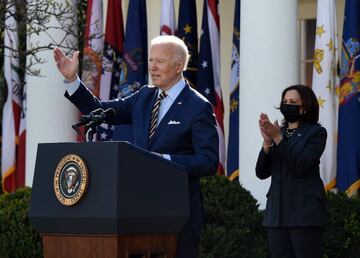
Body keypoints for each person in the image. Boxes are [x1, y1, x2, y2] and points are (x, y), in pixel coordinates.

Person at [53, 35, 219, 258]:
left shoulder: (198, 107)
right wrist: (73, 80)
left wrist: (165, 161)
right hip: (140, 211)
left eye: (159, 61)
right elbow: (99, 110)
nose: (152, 67)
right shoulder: (144, 96)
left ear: (179, 65)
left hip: (179, 215)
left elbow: (208, 162)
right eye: (151, 60)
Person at [255, 85, 327, 258]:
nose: (287, 105)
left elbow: (300, 167)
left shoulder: (316, 133)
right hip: (277, 215)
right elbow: (261, 172)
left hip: (303, 214)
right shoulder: (279, 133)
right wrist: (267, 142)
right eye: (285, 102)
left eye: (293, 102)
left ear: (305, 107)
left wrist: (278, 138)